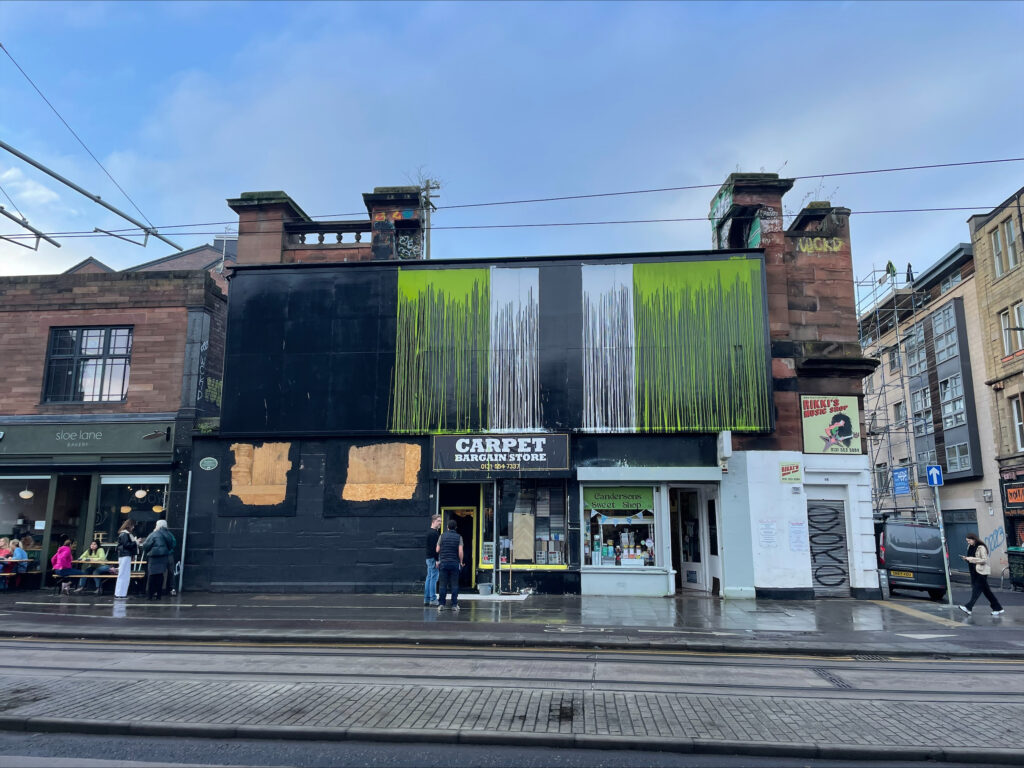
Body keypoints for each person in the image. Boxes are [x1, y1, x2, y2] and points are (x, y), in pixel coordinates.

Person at [958, 533, 1004, 616]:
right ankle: (998, 608)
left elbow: (984, 560)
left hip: (981, 572)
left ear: (974, 539)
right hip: (973, 571)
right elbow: (971, 558)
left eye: (969, 540)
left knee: (976, 589)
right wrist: (966, 559)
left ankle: (969, 607)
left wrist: (971, 559)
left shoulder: (981, 547)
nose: (968, 542)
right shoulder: (970, 547)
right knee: (987, 591)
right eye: (967, 541)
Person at [435, 519, 464, 612]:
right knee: (454, 584)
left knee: (442, 584)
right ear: (455, 527)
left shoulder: (442, 536)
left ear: (447, 527)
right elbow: (460, 551)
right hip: (454, 563)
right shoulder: (459, 537)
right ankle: (454, 604)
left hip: (443, 562)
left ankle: (441, 604)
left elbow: (437, 550)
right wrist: (461, 561)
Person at [142, 520, 175, 601]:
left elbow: (146, 546)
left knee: (152, 576)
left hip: (153, 557)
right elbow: (172, 544)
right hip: (163, 557)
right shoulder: (168, 534)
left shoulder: (154, 534)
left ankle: (150, 595)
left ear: (158, 526)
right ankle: (159, 595)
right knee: (160, 576)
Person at [114, 520, 138, 599]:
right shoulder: (125, 534)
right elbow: (127, 544)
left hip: (124, 555)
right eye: (132, 525)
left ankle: (120, 593)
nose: (133, 527)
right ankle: (120, 594)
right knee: (124, 574)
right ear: (129, 526)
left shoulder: (123, 534)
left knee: (123, 574)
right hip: (125, 555)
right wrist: (136, 542)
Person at [424, 515, 441, 606]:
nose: (440, 523)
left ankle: (426, 599)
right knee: (433, 579)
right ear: (433, 521)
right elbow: (435, 549)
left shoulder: (428, 532)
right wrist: (437, 560)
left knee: (429, 578)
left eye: (441, 521)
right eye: (438, 521)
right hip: (433, 559)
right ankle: (433, 599)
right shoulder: (434, 534)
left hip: (428, 558)